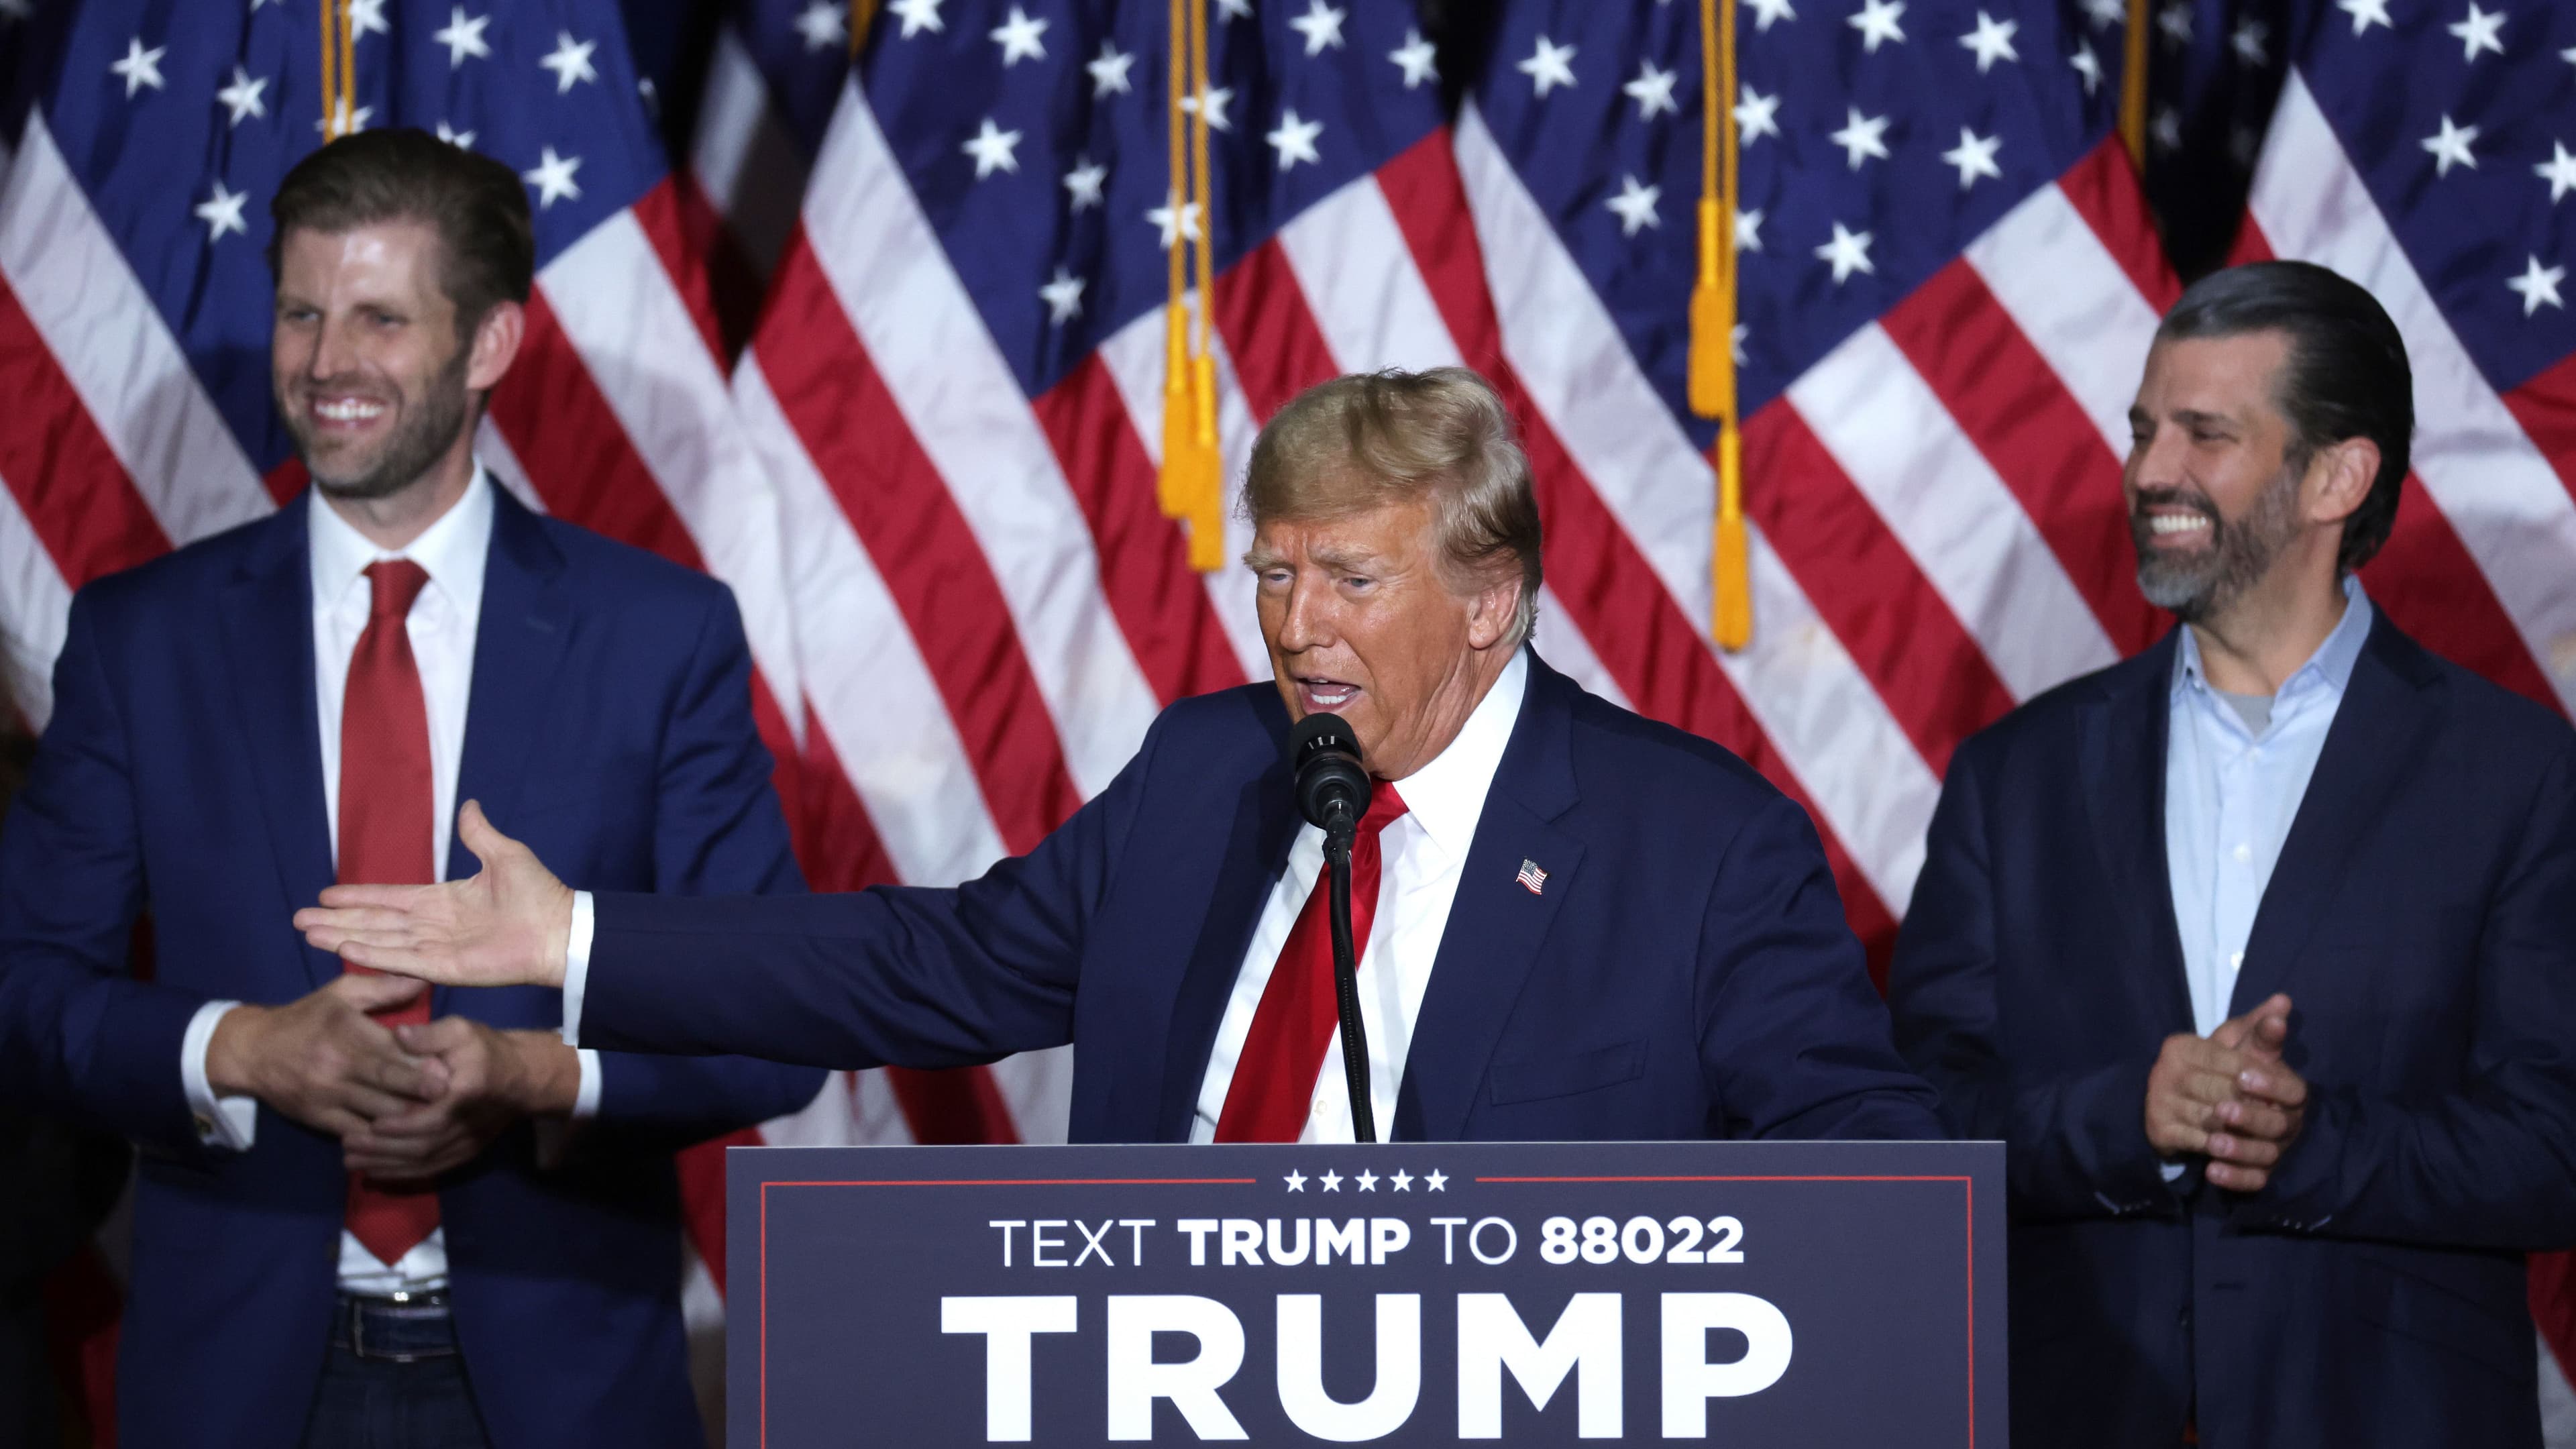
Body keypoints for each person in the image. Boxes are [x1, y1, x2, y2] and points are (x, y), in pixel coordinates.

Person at [297, 366, 1940, 1148]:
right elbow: (928, 966)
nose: (1298, 628)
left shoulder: (1697, 846)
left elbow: (1863, 1178)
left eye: (1354, 582)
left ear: (1493, 601)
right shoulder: (1210, 770)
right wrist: (575, 937)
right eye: (1275, 574)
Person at [0, 129, 824, 1448]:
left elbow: (771, 1014)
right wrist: (241, 1049)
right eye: (301, 313)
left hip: (564, 1386)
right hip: (237, 1390)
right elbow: (25, 987)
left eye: (380, 318)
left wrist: (534, 1075)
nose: (327, 365)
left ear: (489, 343)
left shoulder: (657, 636)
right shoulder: (142, 639)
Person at [1886, 261, 2576, 1448]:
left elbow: (2556, 1142)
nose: (2152, 472)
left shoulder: (2516, 774)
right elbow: (1913, 1128)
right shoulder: (2019, 775)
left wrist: (2312, 1144)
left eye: (2206, 435)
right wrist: (2125, 1120)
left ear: (2336, 477)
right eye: (2147, 431)